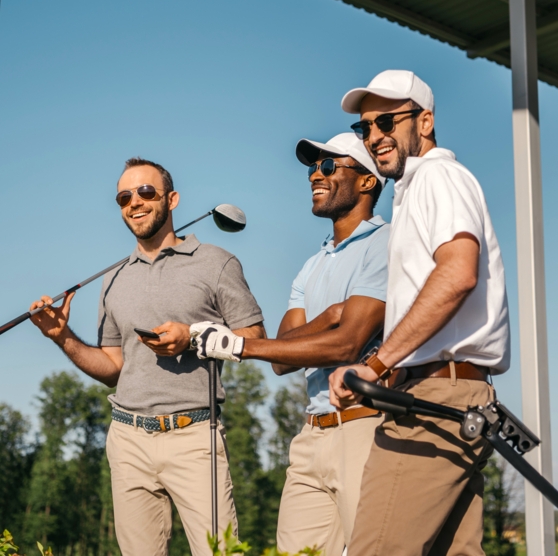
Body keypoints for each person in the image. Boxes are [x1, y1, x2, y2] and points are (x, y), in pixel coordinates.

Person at [29, 157, 265, 556]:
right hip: (127, 438)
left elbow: (253, 337)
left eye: (145, 192)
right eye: (124, 197)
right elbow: (112, 368)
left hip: (195, 435)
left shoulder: (217, 262)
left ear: (171, 199)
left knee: (221, 553)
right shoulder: (113, 278)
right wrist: (61, 336)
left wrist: (192, 337)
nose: (134, 203)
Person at [329, 70, 510, 556]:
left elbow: (457, 275)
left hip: (435, 397)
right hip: (455, 395)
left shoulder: (437, 176)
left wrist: (375, 364)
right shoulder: (416, 188)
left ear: (424, 121)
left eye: (387, 122)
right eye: (365, 128)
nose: (375, 137)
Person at [191, 133, 389, 556]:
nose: (316, 175)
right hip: (311, 435)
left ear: (368, 181)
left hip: (367, 428)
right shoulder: (312, 265)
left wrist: (240, 346)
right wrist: (330, 316)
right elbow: (283, 356)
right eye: (313, 168)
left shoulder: (387, 244)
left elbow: (346, 344)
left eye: (329, 166)